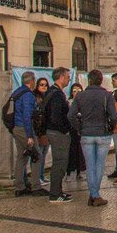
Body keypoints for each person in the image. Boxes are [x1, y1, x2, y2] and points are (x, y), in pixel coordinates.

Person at [69, 70, 117, 207]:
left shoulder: (80, 96)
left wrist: (79, 128)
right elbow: (114, 116)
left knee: (90, 166)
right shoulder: (107, 95)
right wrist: (111, 127)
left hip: (86, 133)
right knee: (99, 165)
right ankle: (95, 195)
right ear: (101, 80)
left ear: (89, 80)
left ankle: (93, 194)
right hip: (102, 133)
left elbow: (71, 115)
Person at [43, 66, 72, 202]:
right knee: (60, 162)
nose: (69, 80)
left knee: (59, 162)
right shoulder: (57, 94)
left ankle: (58, 191)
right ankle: (55, 194)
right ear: (61, 77)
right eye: (67, 77)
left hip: (53, 131)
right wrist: (65, 130)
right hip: (57, 133)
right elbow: (55, 117)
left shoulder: (51, 92)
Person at [11, 71, 40, 196]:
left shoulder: (17, 92)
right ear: (32, 81)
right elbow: (27, 116)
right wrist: (29, 136)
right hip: (24, 128)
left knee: (21, 157)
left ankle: (19, 187)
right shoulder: (28, 95)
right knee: (37, 155)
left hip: (16, 127)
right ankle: (36, 187)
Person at [32, 76, 51, 188]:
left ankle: (42, 175)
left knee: (44, 153)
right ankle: (37, 177)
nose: (44, 87)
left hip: (46, 130)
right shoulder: (36, 98)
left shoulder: (47, 97)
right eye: (41, 85)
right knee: (39, 154)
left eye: (45, 85)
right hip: (38, 130)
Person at [66, 82, 86, 180]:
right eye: (74, 91)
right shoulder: (68, 103)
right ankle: (69, 172)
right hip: (71, 130)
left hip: (82, 130)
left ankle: (79, 171)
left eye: (79, 91)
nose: (77, 93)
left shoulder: (85, 103)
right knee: (71, 151)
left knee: (81, 151)